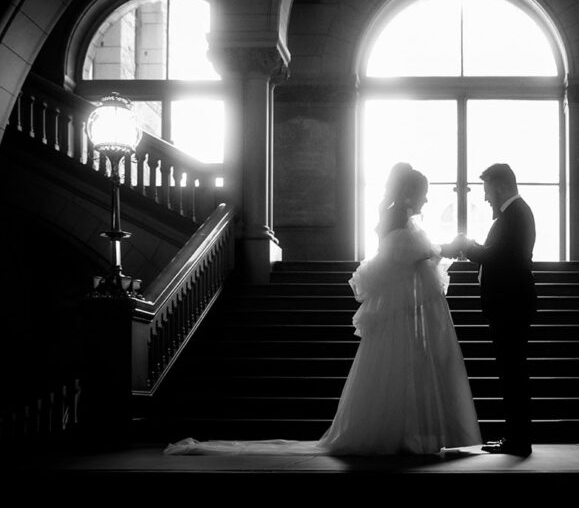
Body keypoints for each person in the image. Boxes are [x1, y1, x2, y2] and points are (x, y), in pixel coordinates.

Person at [165, 163, 481, 456]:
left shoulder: (399, 218)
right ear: (411, 193)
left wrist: (440, 249)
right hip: (398, 315)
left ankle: (411, 431)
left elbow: (414, 254)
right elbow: (407, 253)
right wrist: (448, 247)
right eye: (424, 194)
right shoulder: (397, 219)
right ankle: (398, 432)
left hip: (403, 313)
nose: (427, 201)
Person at [443, 163, 536, 456]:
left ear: (499, 187)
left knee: (513, 374)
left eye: (486, 190)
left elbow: (498, 257)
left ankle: (518, 440)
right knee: (512, 372)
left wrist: (467, 246)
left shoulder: (515, 215)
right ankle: (515, 437)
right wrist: (473, 247)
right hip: (510, 303)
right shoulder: (514, 215)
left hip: (510, 304)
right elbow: (501, 255)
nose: (485, 198)